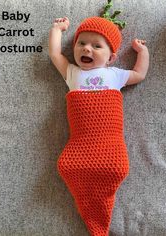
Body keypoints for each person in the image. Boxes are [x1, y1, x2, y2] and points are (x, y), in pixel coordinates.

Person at [48, 12, 149, 236]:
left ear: (111, 58)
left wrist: (142, 52)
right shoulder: (72, 73)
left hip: (109, 145)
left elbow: (139, 74)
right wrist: (57, 29)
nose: (86, 49)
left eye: (96, 46)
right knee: (68, 165)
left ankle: (99, 219)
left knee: (116, 167)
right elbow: (55, 53)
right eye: (81, 43)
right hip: (81, 145)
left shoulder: (115, 74)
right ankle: (92, 217)